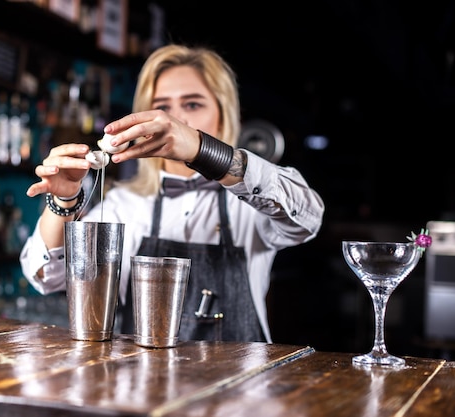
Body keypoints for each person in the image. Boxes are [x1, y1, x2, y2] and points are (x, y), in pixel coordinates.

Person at [19, 44, 325, 343]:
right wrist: (64, 199)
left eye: (192, 105)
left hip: (239, 388)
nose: (174, 120)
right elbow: (46, 276)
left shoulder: (251, 204)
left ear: (224, 114)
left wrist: (203, 150)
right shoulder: (125, 205)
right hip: (140, 386)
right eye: (162, 107)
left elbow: (308, 217)